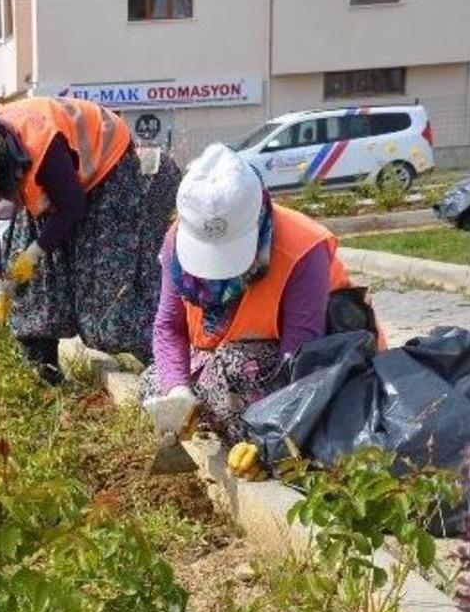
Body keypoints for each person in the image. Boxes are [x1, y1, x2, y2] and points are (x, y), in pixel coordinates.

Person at [140, 143, 376, 464]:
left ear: (257, 221)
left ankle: (249, 436)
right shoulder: (176, 242)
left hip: (314, 364)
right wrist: (178, 392)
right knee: (155, 383)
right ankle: (221, 422)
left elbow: (302, 361)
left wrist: (272, 436)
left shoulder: (302, 249)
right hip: (221, 358)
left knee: (236, 366)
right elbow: (168, 326)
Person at [0, 96, 179, 383]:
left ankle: (169, 367)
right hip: (57, 183)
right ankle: (46, 376)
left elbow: (72, 206)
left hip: (108, 170)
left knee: (107, 296)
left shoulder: (41, 142)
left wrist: (36, 252)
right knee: (32, 293)